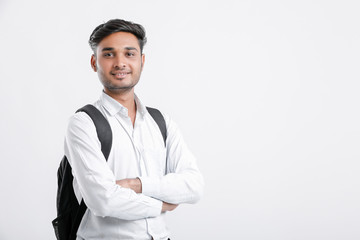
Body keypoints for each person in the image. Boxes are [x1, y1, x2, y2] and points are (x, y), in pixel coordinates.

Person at [64, 19, 204, 240]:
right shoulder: (83, 123)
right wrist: (162, 205)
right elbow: (103, 201)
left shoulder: (161, 122)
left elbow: (193, 186)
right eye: (109, 54)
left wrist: (136, 185)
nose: (120, 63)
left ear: (142, 61)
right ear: (94, 62)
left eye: (129, 54)